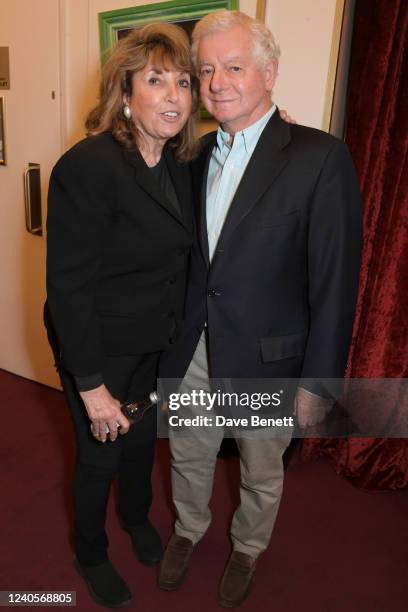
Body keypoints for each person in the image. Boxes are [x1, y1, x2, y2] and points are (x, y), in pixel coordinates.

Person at [158, 10, 362, 608]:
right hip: (194, 346)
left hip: (270, 358)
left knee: (259, 467)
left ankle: (248, 545)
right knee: (189, 451)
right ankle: (188, 530)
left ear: (269, 72)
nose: (218, 82)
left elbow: (335, 280)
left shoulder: (320, 157)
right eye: (207, 69)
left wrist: (317, 384)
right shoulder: (190, 155)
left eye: (235, 66)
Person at [44, 23, 200, 608]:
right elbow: (68, 288)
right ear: (125, 94)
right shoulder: (88, 167)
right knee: (100, 452)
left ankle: (135, 518)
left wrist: (271, 120)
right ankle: (89, 551)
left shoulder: (179, 163)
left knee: (141, 444)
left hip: (152, 339)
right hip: (99, 345)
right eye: (155, 80)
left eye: (183, 82)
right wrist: (92, 388)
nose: (174, 96)